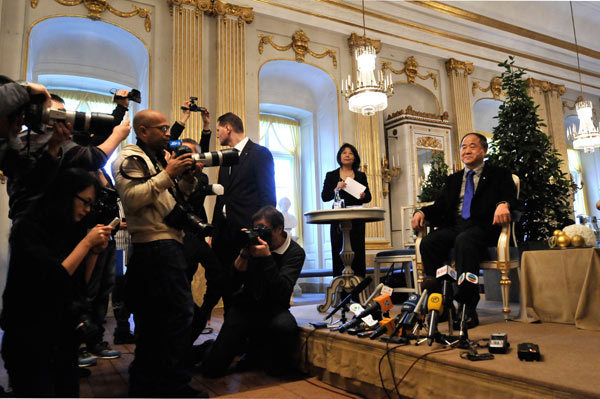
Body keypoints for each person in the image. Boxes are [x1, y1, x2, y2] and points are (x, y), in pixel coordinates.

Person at [112, 109, 208, 398]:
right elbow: (132, 198)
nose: (169, 134)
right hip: (157, 247)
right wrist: (168, 174)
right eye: (163, 129)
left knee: (154, 320)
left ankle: (146, 381)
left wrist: (187, 177)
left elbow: (176, 199)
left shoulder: (155, 159)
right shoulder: (131, 158)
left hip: (162, 246)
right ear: (142, 131)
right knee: (176, 317)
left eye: (168, 129)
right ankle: (174, 385)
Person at [0, 168, 112, 397]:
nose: (88, 209)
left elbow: (78, 285)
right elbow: (52, 279)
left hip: (61, 336)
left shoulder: (70, 229)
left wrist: (94, 253)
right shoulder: (29, 227)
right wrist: (86, 244)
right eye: (86, 202)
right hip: (30, 336)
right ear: (66, 195)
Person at [411, 133, 517, 329]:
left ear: (484, 151)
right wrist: (421, 211)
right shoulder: (453, 180)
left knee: (465, 240)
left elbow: (510, 197)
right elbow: (440, 207)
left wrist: (504, 204)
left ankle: (467, 307)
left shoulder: (499, 174)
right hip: (456, 226)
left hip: (483, 227)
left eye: (472, 146)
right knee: (429, 243)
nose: (466, 150)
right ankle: (443, 302)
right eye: (463, 147)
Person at [201, 206, 305, 378]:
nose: (260, 235)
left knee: (286, 327)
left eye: (264, 230)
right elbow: (231, 286)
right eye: (256, 229)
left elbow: (283, 291)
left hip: (274, 308)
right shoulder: (251, 244)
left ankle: (265, 357)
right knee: (212, 370)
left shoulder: (294, 252)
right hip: (246, 306)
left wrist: (267, 258)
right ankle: (208, 348)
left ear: (279, 229)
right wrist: (243, 255)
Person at [211, 112, 276, 313]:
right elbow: (221, 197)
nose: (217, 135)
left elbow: (268, 196)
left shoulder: (259, 153)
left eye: (218, 130)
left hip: (247, 233)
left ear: (228, 128)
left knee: (250, 290)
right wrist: (214, 232)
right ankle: (232, 335)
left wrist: (260, 232)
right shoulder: (225, 159)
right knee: (227, 289)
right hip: (223, 237)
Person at [180, 137, 224, 344]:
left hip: (197, 236)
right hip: (178, 239)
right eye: (182, 152)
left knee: (218, 274)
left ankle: (204, 312)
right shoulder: (168, 176)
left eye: (190, 153)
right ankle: (185, 335)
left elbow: (194, 199)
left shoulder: (203, 179)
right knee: (183, 283)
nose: (186, 157)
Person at [321, 143, 372, 277]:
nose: (347, 155)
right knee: (338, 249)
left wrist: (364, 195)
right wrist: (335, 188)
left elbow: (369, 197)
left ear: (354, 158)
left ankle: (358, 288)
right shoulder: (331, 175)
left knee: (358, 250)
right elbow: (324, 197)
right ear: (339, 156)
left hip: (356, 218)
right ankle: (340, 289)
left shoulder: (361, 176)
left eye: (350, 153)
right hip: (338, 217)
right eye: (344, 152)